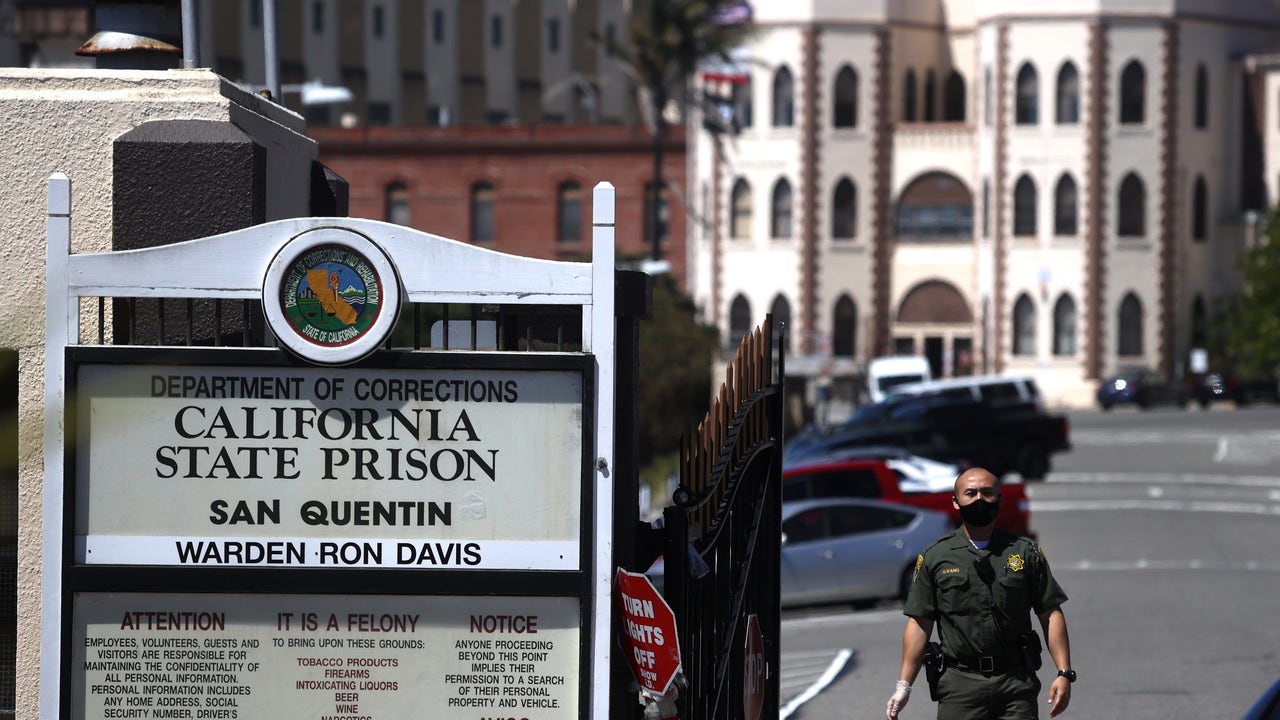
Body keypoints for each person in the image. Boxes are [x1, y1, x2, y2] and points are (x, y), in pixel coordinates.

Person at [886, 467, 1075, 719]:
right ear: (956, 502)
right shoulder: (936, 557)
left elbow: (1049, 612)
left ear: (999, 499)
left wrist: (1064, 673)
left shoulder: (1024, 552)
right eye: (971, 493)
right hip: (960, 685)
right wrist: (904, 687)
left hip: (1015, 683)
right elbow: (920, 622)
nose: (979, 499)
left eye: (987, 493)